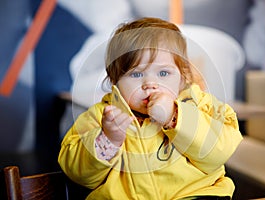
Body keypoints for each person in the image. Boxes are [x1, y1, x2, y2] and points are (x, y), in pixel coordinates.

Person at [58, 17, 243, 200]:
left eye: (163, 73)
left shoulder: (201, 105)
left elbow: (219, 152)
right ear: (114, 80)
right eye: (136, 74)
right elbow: (78, 174)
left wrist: (175, 116)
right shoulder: (102, 116)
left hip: (196, 195)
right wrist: (107, 140)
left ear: (182, 76)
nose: (150, 84)